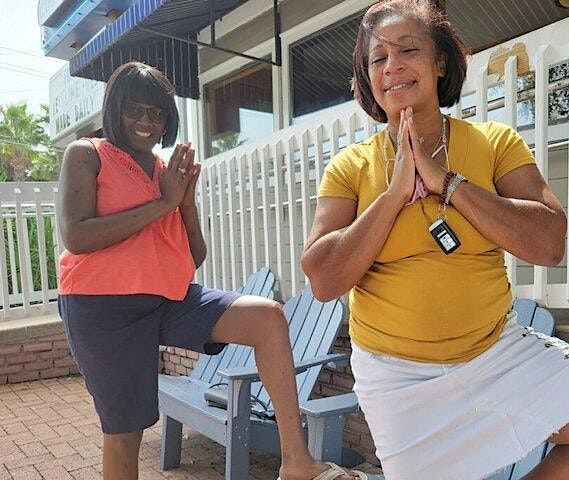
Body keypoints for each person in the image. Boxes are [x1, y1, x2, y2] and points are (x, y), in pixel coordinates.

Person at [301, 2, 569, 479]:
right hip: (399, 381)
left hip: (499, 356)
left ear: (439, 62)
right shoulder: (350, 166)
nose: (393, 66)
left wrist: (448, 183)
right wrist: (394, 194)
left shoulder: (493, 142)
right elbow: (323, 280)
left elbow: (548, 243)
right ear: (368, 77)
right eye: (378, 58)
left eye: (408, 50)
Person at [57, 62, 364, 480]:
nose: (146, 121)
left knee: (267, 317)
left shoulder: (167, 172)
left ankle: (297, 462)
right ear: (114, 109)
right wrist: (163, 204)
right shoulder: (87, 154)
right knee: (126, 434)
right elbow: (76, 235)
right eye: (134, 109)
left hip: (166, 299)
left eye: (157, 112)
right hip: (103, 308)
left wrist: (184, 202)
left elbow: (193, 256)